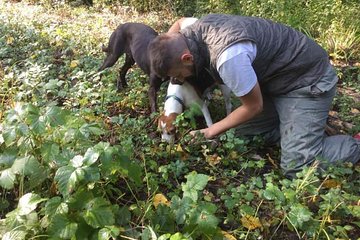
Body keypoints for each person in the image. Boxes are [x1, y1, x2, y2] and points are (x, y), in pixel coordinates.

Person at [149, 14, 360, 178]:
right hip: (276, 81)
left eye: (178, 75)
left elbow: (253, 107)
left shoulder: (228, 58)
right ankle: (297, 130)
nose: (179, 80)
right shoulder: (191, 30)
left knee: (297, 166)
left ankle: (351, 145)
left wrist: (209, 131)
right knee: (239, 133)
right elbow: (178, 23)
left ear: (187, 58)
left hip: (305, 82)